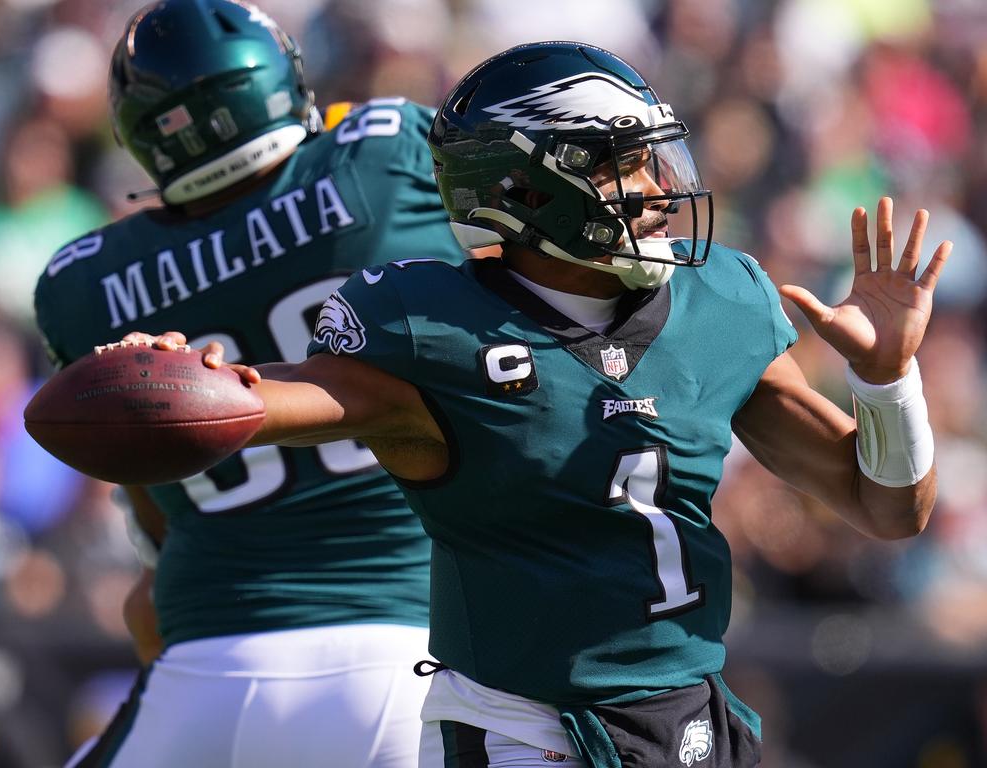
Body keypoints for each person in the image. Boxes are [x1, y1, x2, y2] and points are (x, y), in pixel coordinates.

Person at [109, 41, 949, 767]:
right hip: (521, 729)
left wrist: (886, 380)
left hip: (689, 713)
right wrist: (201, 382)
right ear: (526, 192)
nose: (657, 186)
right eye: (620, 161)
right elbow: (298, 399)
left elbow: (885, 506)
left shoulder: (719, 301)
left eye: (654, 156)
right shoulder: (433, 328)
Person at [33, 1, 470, 766]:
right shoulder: (384, 157)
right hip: (412, 657)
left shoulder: (82, 284)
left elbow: (155, 522)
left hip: (202, 668)